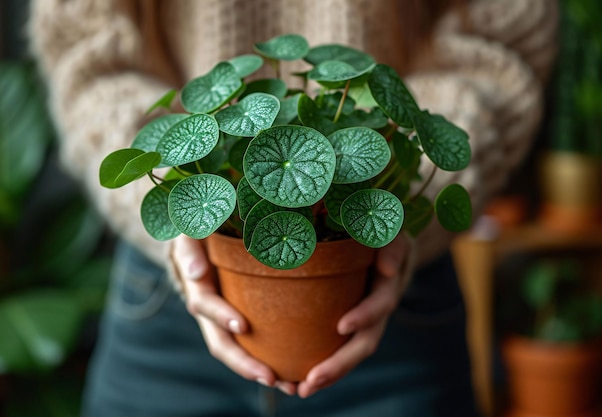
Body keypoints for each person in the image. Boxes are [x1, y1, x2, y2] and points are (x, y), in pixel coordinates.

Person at [29, 0, 558, 415]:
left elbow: (500, 47)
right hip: (164, 320)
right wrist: (173, 200)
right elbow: (86, 55)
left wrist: (396, 200)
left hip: (394, 305)